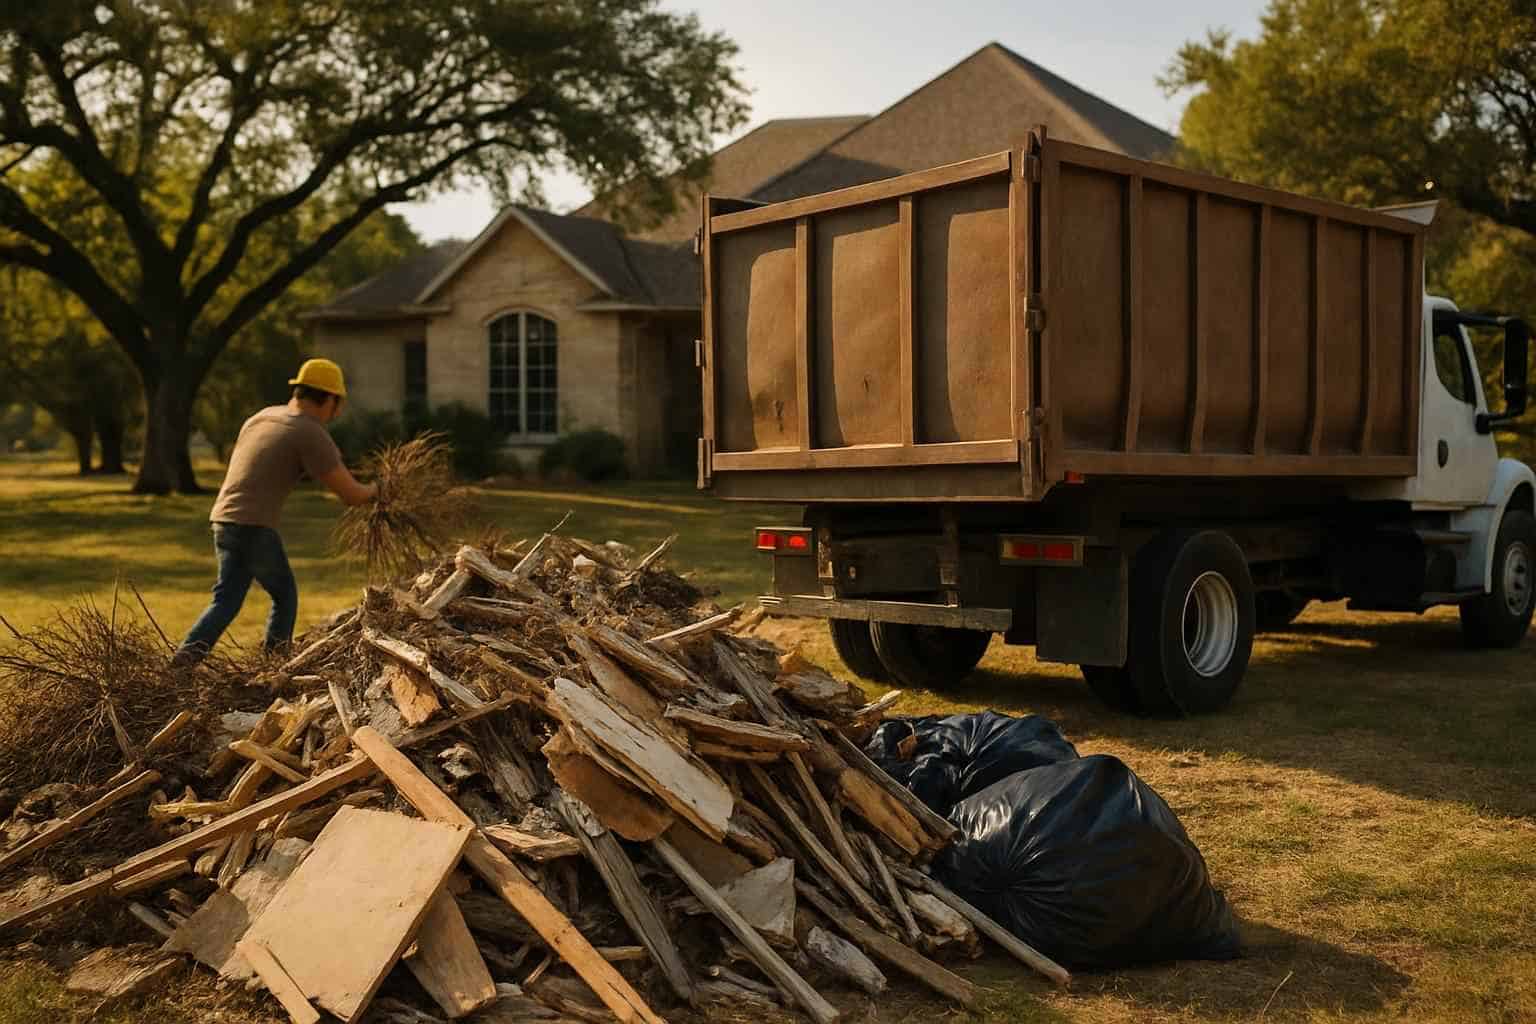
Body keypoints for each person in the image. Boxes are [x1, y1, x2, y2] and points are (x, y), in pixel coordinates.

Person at [173, 358, 376, 666]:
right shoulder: (309, 431)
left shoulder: (262, 417)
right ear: (330, 399)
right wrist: (381, 489)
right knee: (285, 597)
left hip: (223, 519)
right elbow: (351, 495)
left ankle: (180, 666)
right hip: (253, 526)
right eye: (339, 403)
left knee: (225, 601)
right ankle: (273, 668)